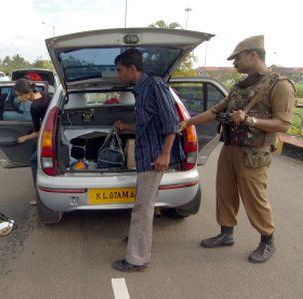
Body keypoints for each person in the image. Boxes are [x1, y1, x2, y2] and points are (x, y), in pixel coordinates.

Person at [179, 35, 295, 263]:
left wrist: (249, 120)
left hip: (254, 153)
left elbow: (283, 123)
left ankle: (267, 240)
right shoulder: (240, 86)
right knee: (225, 192)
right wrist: (187, 122)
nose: (234, 63)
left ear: (253, 55)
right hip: (230, 147)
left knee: (254, 198)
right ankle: (226, 234)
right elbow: (215, 111)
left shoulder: (279, 85)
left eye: (238, 58)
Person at [111, 49, 184, 272]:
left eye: (120, 70)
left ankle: (136, 259)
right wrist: (126, 126)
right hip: (145, 158)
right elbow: (147, 124)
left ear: (132, 68)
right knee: (142, 206)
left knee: (142, 208)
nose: (118, 75)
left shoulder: (154, 85)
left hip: (154, 159)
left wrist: (165, 154)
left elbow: (171, 122)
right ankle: (137, 240)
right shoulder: (140, 91)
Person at [13, 79, 51, 205]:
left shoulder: (34, 107)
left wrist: (25, 138)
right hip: (55, 129)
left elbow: (38, 131)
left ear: (27, 92)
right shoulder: (44, 95)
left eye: (19, 95)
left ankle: (39, 196)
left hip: (49, 135)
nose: (18, 98)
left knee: (34, 160)